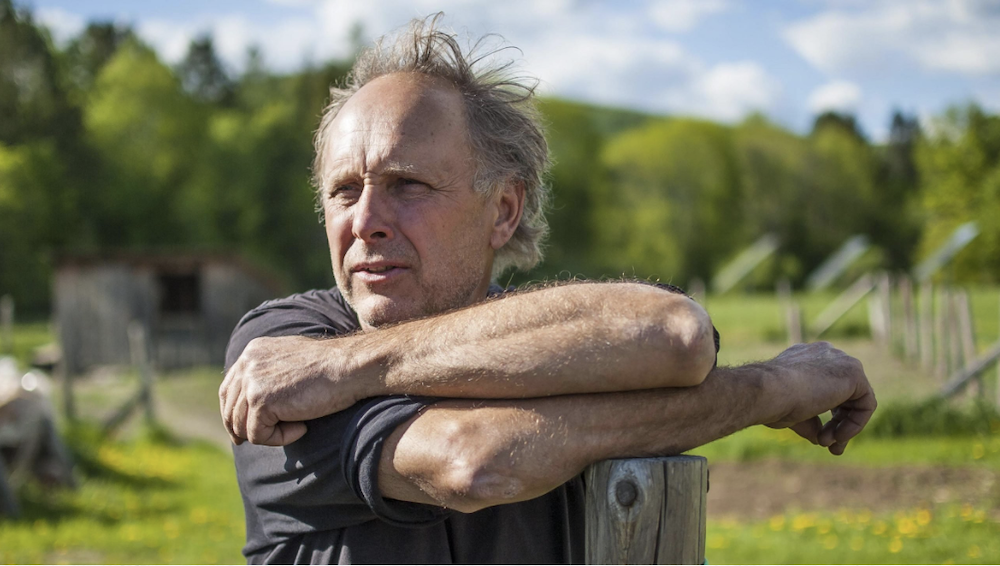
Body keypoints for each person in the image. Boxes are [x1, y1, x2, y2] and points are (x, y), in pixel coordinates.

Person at [218, 15, 877, 564]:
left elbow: (676, 336)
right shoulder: (279, 353)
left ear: (503, 210)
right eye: (344, 192)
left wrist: (348, 368)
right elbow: (475, 462)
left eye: (407, 185)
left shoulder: (317, 368)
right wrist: (767, 392)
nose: (364, 222)